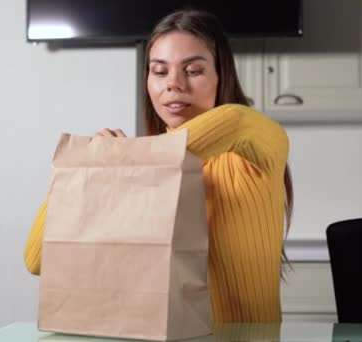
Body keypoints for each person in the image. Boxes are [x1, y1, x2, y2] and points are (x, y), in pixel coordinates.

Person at [24, 9, 293, 323]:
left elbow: (234, 120)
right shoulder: (140, 174)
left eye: (193, 70)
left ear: (222, 75)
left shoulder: (258, 141)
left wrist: (116, 160)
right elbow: (38, 259)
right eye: (159, 71)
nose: (174, 85)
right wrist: (93, 168)